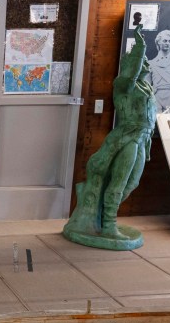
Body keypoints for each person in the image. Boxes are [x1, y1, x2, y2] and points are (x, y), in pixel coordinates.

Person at [63, 25, 156, 246]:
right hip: (127, 137)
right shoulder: (123, 84)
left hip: (143, 137)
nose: (146, 63)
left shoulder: (146, 87)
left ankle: (102, 214)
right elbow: (130, 76)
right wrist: (140, 49)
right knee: (118, 181)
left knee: (131, 183)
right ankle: (108, 225)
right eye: (142, 60)